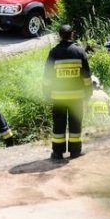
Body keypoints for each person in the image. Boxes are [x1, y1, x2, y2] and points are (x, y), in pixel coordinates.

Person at [43, 24, 93, 161]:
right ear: (72, 35)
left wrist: (46, 93)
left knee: (58, 125)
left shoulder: (54, 53)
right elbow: (87, 77)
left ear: (60, 35)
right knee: (75, 123)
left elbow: (47, 77)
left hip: (58, 97)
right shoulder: (79, 52)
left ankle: (57, 153)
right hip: (77, 97)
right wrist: (89, 93)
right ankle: (75, 151)